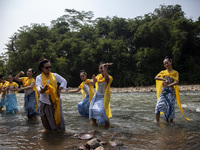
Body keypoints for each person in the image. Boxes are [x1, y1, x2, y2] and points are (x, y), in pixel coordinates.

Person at [155, 56, 190, 124]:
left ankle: (171, 124)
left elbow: (176, 82)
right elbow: (156, 77)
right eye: (164, 64)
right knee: (158, 106)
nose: (166, 65)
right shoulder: (163, 72)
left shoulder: (175, 73)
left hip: (171, 92)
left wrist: (168, 85)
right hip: (163, 92)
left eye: (167, 63)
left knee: (170, 108)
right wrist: (164, 79)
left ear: (171, 62)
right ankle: (157, 123)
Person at [36, 58, 67, 131]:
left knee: (58, 117)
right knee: (44, 118)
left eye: (50, 67)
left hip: (55, 100)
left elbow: (64, 81)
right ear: (42, 68)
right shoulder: (39, 77)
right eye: (47, 67)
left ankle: (59, 132)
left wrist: (59, 88)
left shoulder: (54, 75)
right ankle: (49, 133)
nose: (49, 69)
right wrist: (42, 90)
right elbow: (38, 86)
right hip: (45, 100)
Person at [89, 62, 113, 127]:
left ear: (106, 69)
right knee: (91, 109)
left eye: (103, 68)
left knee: (102, 111)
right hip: (97, 96)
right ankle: (94, 123)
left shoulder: (109, 77)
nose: (102, 69)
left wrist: (104, 66)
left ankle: (107, 125)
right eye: (100, 68)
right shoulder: (98, 77)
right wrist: (93, 80)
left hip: (104, 97)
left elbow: (106, 78)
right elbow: (92, 82)